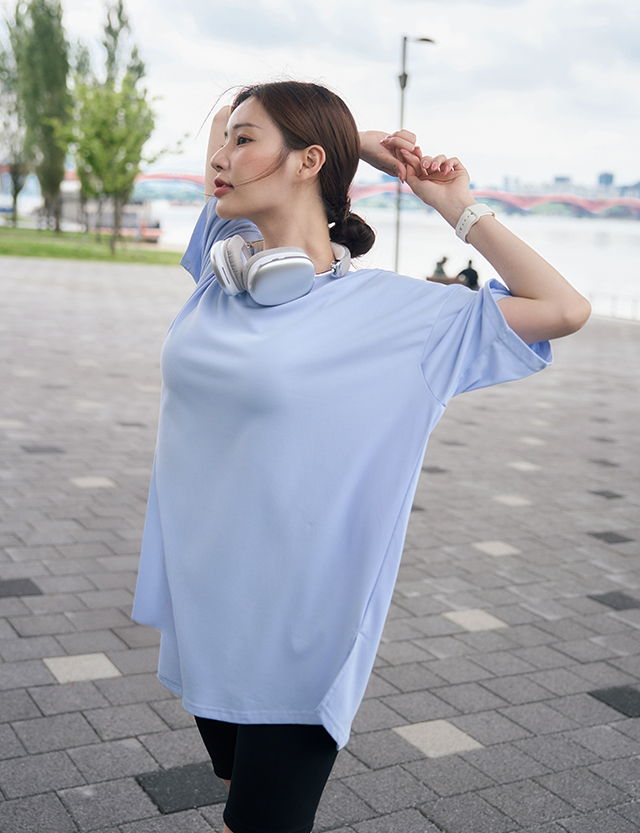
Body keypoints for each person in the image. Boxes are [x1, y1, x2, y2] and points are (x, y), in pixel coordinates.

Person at [132, 81, 590, 833]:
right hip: (205, 608)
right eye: (227, 142)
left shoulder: (402, 317)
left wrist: (453, 204)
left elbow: (564, 308)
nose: (219, 156)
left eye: (244, 142)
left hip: (300, 630)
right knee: (238, 795)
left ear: (306, 161)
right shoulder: (225, 268)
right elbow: (226, 107)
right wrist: (360, 144)